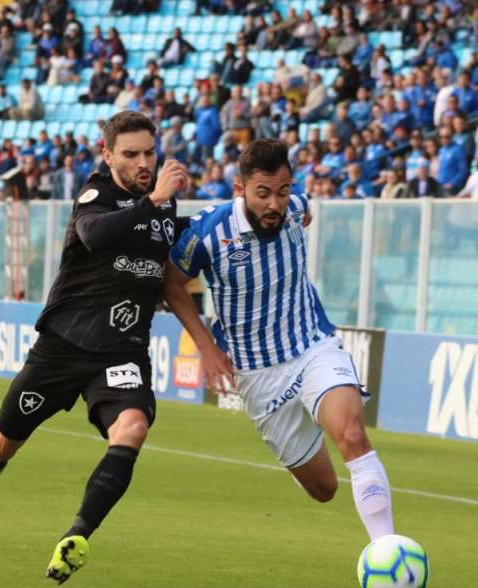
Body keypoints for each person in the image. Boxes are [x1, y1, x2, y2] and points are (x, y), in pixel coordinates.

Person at [0, 111, 191, 585]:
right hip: (63, 347)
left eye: (150, 153)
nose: (144, 162)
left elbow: (184, 238)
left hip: (122, 351)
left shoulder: (164, 206)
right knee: (5, 441)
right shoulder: (96, 195)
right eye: (131, 154)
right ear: (108, 155)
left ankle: (77, 536)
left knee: (132, 428)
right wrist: (154, 200)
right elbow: (95, 234)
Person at [163, 138, 397, 551]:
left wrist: (293, 204)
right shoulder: (210, 232)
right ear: (240, 189)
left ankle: (387, 550)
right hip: (257, 376)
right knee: (324, 489)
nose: (275, 204)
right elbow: (171, 283)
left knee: (352, 434)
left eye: (283, 191)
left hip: (311, 348)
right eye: (263, 193)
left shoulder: (296, 208)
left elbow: (304, 211)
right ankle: (303, 446)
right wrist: (206, 347)